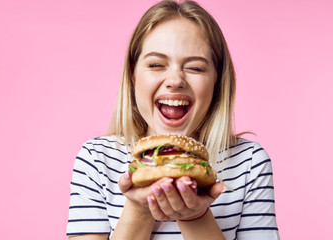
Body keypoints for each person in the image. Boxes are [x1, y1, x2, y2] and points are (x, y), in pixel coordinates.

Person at [66, 0, 280, 239]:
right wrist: (139, 209)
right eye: (156, 64)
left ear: (218, 83)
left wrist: (196, 218)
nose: (175, 80)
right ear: (133, 76)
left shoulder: (249, 162)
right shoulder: (96, 159)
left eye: (196, 68)